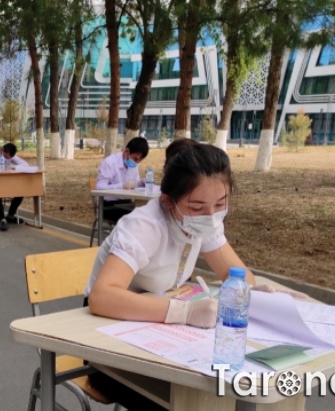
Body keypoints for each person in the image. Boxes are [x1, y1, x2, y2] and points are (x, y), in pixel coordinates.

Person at [85, 139, 304, 410]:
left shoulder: (204, 223)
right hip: (107, 343)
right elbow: (103, 297)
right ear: (168, 201)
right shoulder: (144, 226)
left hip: (157, 330)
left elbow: (237, 275)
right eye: (197, 207)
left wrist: (252, 295)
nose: (210, 216)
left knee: (233, 392)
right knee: (200, 401)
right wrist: (185, 312)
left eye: (220, 203)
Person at [95, 137, 150, 221]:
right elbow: (99, 187)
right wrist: (121, 186)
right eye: (135, 159)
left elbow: (134, 184)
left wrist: (141, 183)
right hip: (109, 205)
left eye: (140, 160)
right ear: (127, 151)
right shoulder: (110, 162)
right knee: (138, 218)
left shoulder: (134, 165)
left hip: (127, 202)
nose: (136, 162)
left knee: (147, 215)